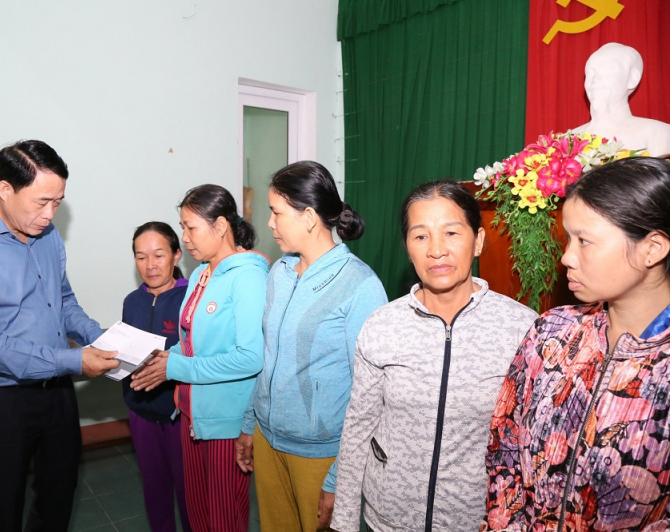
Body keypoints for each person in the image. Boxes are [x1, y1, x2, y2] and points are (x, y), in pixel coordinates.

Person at [0, 140, 119, 531]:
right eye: (41, 201)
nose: (50, 215)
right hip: (0, 401)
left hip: (56, 393)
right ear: (5, 190)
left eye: (58, 202)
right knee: (4, 507)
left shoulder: (46, 235)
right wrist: (74, 359)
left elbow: (63, 300)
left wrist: (98, 336)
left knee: (58, 496)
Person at [331, 180, 537, 532]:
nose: (436, 250)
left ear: (479, 241)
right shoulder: (383, 324)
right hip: (388, 519)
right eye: (421, 236)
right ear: (408, 248)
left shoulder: (521, 328)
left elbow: (531, 443)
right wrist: (344, 520)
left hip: (477, 521)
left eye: (452, 233)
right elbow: (358, 428)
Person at [482, 157, 670, 531]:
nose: (567, 256)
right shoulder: (551, 332)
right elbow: (503, 447)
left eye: (585, 241)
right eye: (568, 238)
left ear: (653, 248)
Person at [235, 160, 388, 532]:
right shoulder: (279, 273)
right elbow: (268, 358)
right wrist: (249, 424)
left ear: (307, 216)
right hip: (269, 443)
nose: (269, 223)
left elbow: (372, 395)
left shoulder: (360, 286)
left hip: (322, 456)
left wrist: (340, 477)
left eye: (276, 212)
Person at [132, 184, 268, 532]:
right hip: (192, 415)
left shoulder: (248, 276)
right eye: (183, 227)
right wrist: (162, 359)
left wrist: (175, 367)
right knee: (199, 517)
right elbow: (191, 343)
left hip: (225, 422)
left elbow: (250, 358)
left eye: (191, 227)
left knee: (224, 519)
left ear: (220, 226)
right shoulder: (199, 275)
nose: (186, 237)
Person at [121, 221, 191, 532]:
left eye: (159, 255)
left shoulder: (191, 300)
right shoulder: (131, 302)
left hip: (182, 416)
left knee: (191, 497)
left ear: (176, 255)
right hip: (141, 414)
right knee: (154, 493)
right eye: (141, 257)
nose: (150, 266)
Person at [573, 42, 670, 156]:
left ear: (632, 78)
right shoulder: (570, 139)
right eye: (590, 73)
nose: (595, 79)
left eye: (606, 69)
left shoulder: (660, 134)